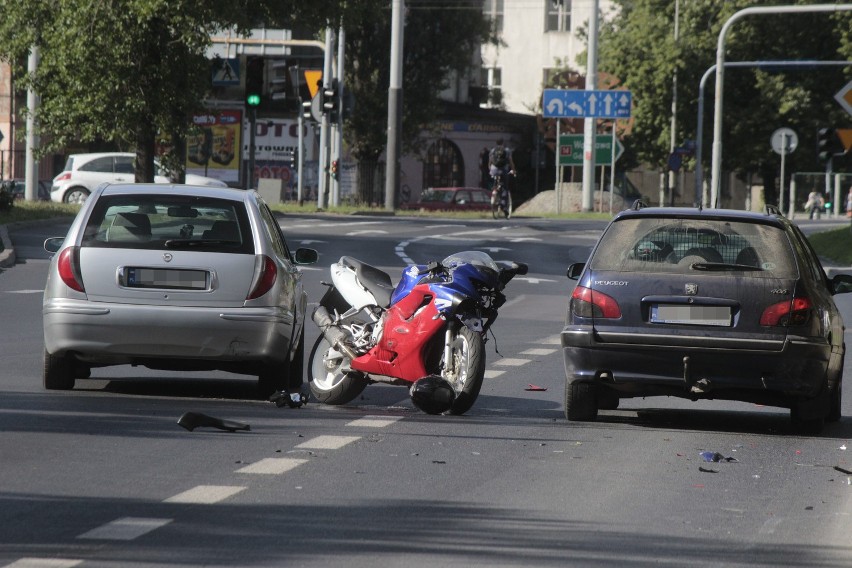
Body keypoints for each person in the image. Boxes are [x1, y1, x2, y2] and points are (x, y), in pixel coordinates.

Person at [488, 139, 516, 211]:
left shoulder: (493, 150)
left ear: (496, 143)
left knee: (495, 183)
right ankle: (504, 206)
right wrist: (513, 170)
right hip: (503, 171)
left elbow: (490, 162)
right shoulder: (507, 151)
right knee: (505, 188)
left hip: (493, 170)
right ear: (503, 143)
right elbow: (511, 162)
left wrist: (490, 170)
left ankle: (494, 191)